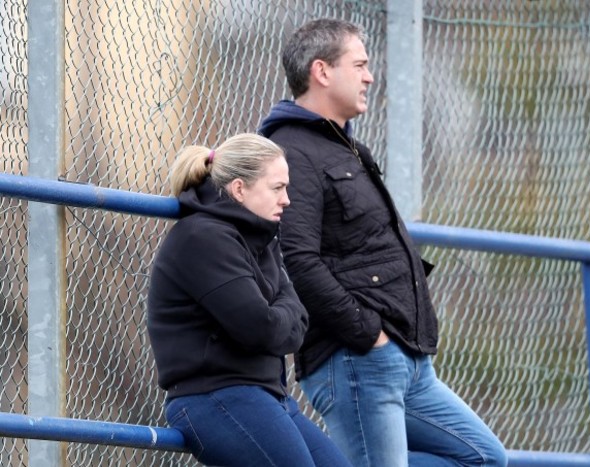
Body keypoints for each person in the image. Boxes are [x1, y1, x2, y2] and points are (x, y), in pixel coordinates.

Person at [258, 19, 508, 467]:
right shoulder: (293, 150)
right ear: (322, 71)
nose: (370, 76)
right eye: (360, 64)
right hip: (358, 362)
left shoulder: (345, 146)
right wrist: (366, 332)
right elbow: (296, 258)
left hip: (405, 360)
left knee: (485, 458)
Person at [146, 133, 352, 467]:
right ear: (239, 188)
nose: (286, 199)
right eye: (277, 188)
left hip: (269, 396)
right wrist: (282, 313)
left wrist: (281, 314)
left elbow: (297, 321)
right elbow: (262, 329)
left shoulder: (262, 238)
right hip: (214, 397)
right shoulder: (203, 237)